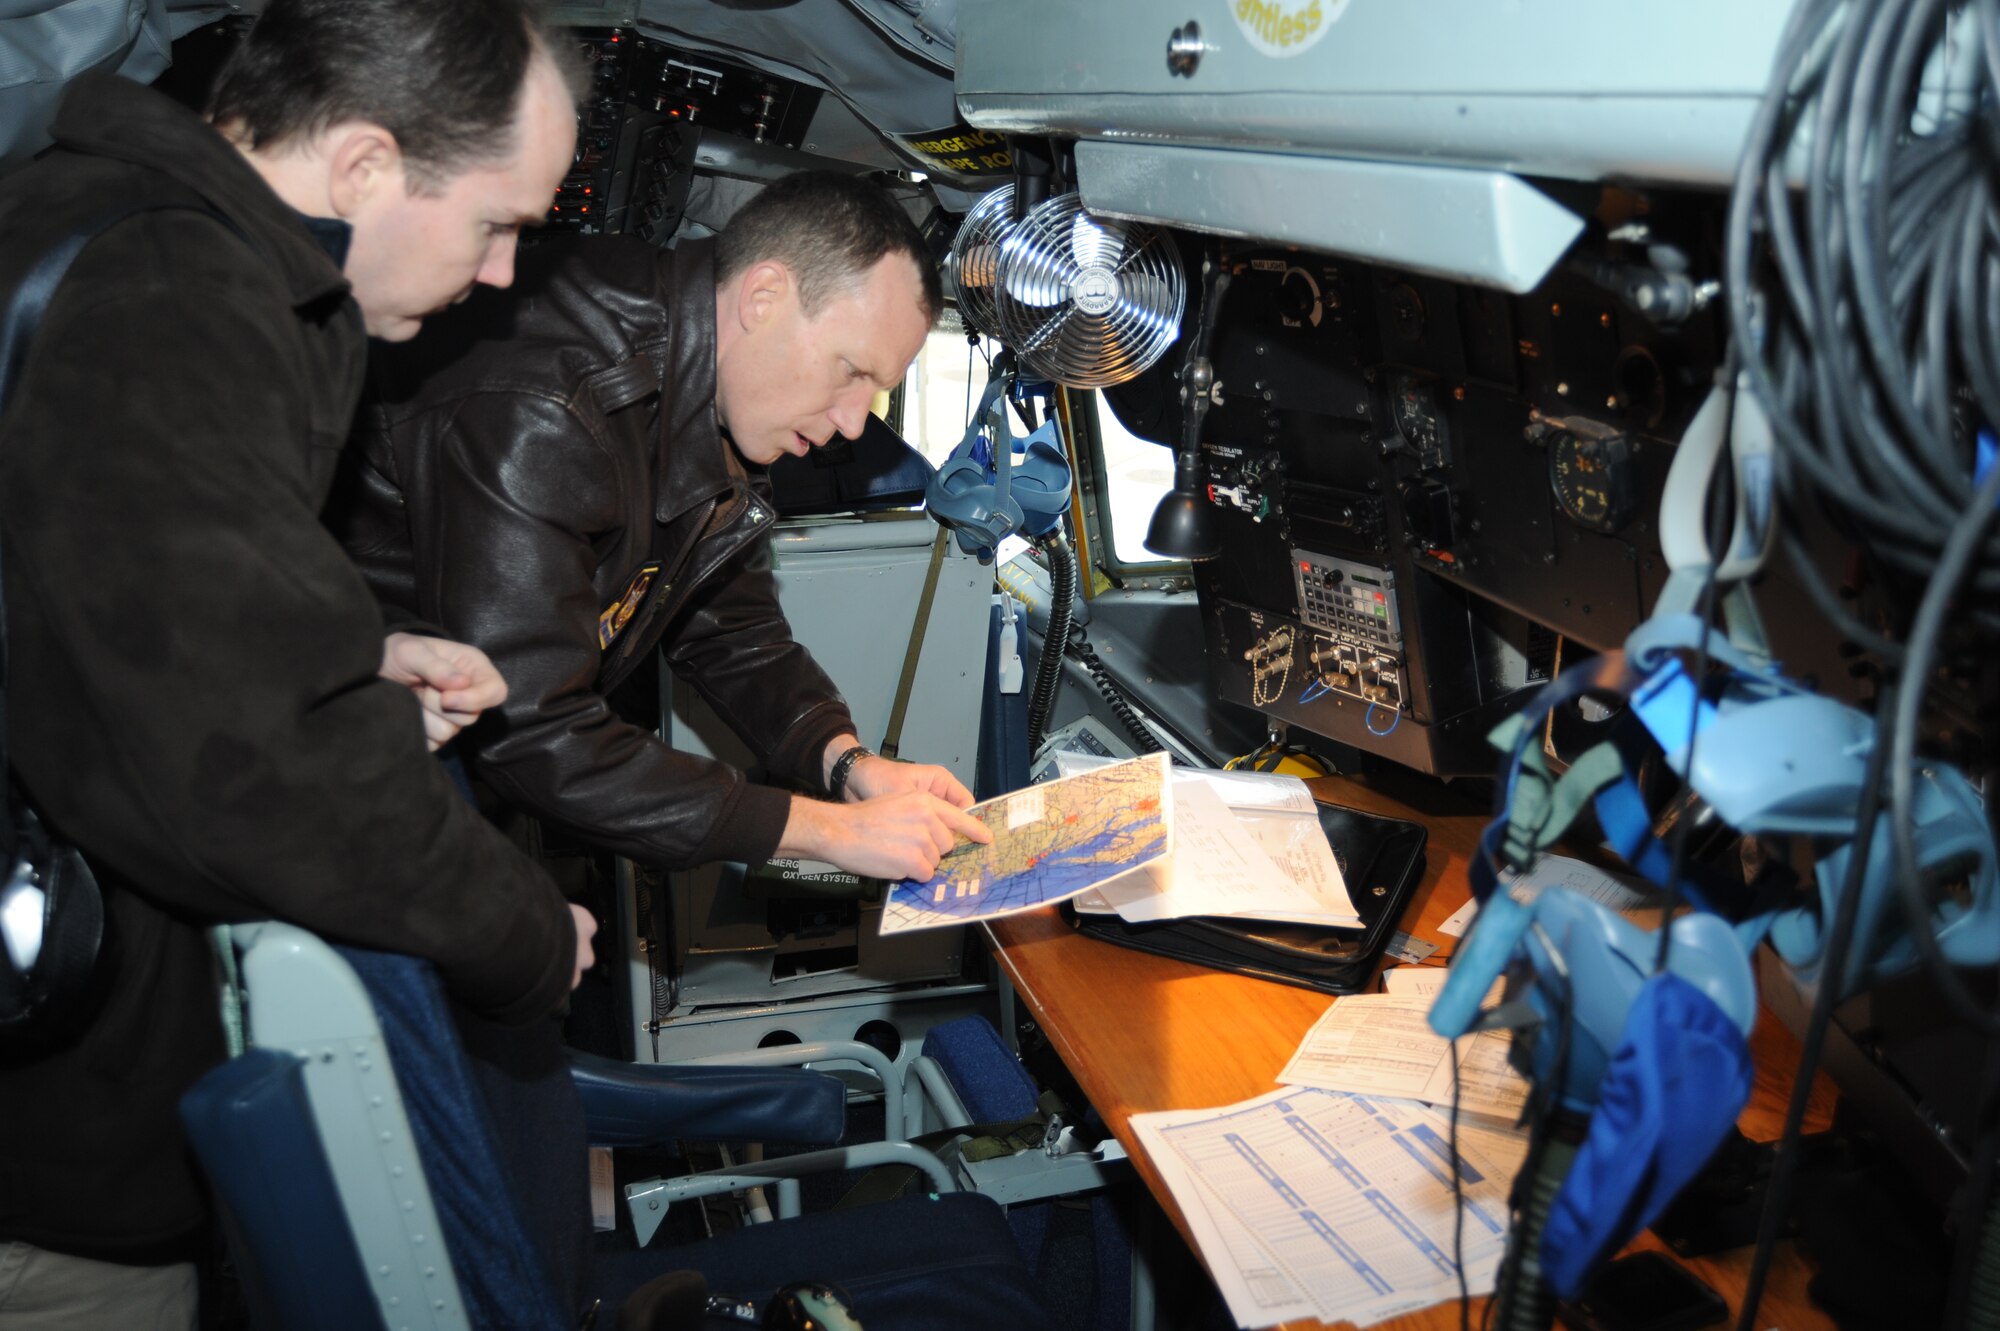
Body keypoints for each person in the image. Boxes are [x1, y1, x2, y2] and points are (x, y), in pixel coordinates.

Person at [0, 3, 596, 1324]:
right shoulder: (171, 292)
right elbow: (256, 771)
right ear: (367, 166)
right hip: (42, 1155)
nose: (503, 275)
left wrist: (351, 648)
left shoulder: (111, 229)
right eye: (498, 222)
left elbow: (73, 599)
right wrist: (525, 937)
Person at [335, 171, 992, 885]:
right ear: (763, 297)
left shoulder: (711, 388)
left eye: (877, 391)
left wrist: (849, 765)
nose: (854, 423)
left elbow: (729, 627)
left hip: (453, 736)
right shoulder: (554, 402)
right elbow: (532, 727)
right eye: (849, 372)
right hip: (334, 731)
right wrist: (831, 833)